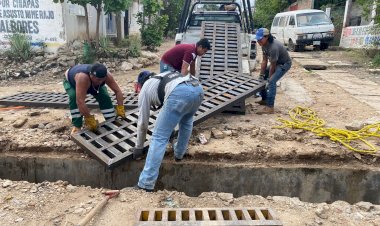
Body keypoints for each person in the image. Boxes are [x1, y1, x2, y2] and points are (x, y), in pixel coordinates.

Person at [132, 70, 204, 192]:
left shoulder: (145, 88)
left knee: (159, 137)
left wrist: (139, 147)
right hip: (197, 88)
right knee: (186, 121)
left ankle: (145, 184)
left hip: (179, 93)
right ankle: (179, 154)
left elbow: (143, 122)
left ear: (141, 83)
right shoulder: (163, 76)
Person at [63, 63, 125, 135]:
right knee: (74, 97)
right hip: (71, 82)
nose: (100, 82)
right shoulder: (82, 77)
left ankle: (111, 120)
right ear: (91, 75)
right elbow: (80, 102)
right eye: (98, 79)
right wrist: (89, 119)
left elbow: (118, 91)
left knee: (105, 96)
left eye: (102, 80)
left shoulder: (107, 76)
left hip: (90, 82)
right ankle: (77, 125)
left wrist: (120, 108)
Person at [255, 28, 292, 114]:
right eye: (257, 39)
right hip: (275, 62)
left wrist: (269, 78)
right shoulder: (263, 45)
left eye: (260, 39)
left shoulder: (273, 47)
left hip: (284, 64)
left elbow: (273, 66)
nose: (258, 41)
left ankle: (270, 107)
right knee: (262, 78)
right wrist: (261, 75)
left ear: (266, 37)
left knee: (271, 81)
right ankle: (264, 99)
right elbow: (264, 61)